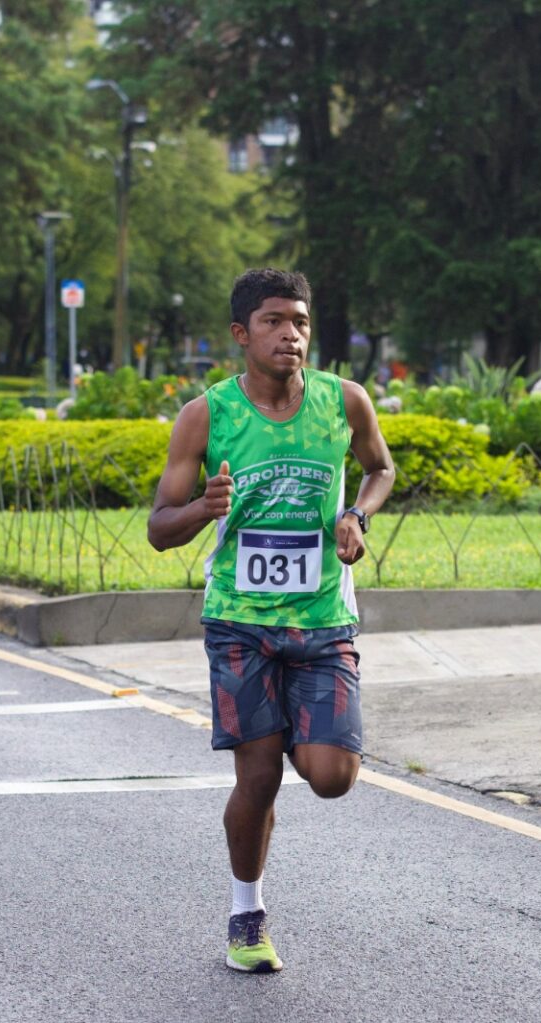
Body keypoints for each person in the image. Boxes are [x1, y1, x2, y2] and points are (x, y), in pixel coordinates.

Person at [147, 268, 397, 974]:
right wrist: (204, 508)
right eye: (274, 321)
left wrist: (356, 514)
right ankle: (246, 915)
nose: (291, 334)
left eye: (301, 321)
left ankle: (292, 726)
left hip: (322, 622)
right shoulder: (207, 415)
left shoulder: (344, 401)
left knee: (332, 774)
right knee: (257, 781)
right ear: (241, 333)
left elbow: (380, 469)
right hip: (239, 622)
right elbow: (159, 528)